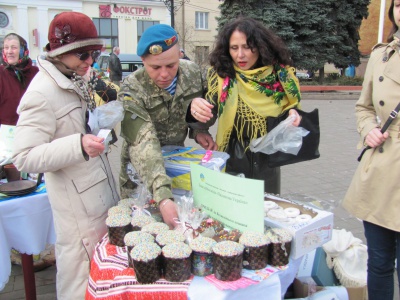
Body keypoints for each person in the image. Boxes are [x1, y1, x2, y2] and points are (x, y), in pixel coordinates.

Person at [12, 12, 119, 299]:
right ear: (61, 52)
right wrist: (78, 145)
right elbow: (23, 156)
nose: (90, 61)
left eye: (94, 53)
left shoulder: (72, 77)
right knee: (78, 279)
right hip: (76, 213)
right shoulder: (42, 92)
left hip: (95, 200)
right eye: (83, 55)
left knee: (100, 276)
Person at [119, 24, 216, 228]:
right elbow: (142, 142)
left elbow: (207, 106)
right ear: (143, 61)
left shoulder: (191, 73)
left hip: (177, 167)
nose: (164, 74)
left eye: (171, 65)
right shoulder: (131, 88)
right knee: (142, 232)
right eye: (155, 67)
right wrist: (163, 196)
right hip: (141, 173)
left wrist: (199, 128)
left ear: (179, 55)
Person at [190, 17, 302, 194]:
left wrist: (293, 115)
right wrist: (196, 114)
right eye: (234, 48)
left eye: (247, 47)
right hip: (232, 156)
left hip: (268, 160)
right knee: (233, 212)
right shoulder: (221, 75)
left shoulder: (280, 75)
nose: (240, 55)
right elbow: (206, 112)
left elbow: (290, 106)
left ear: (260, 46)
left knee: (266, 213)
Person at [342, 1, 400, 299]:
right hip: (381, 169)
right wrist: (369, 131)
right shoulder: (381, 56)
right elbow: (363, 107)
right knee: (378, 262)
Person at [0, 33, 38, 126]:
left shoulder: (36, 73)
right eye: (6, 47)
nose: (9, 51)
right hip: (6, 134)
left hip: (33, 128)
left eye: (14, 47)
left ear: (23, 50)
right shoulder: (1, 73)